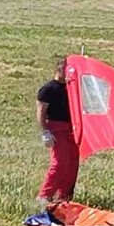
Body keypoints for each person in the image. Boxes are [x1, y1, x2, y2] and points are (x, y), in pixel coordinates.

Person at [36, 58, 80, 203]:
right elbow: (41, 111)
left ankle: (64, 196)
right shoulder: (48, 89)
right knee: (60, 163)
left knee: (72, 163)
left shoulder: (71, 88)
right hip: (56, 128)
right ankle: (45, 195)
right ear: (60, 70)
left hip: (71, 129)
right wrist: (45, 131)